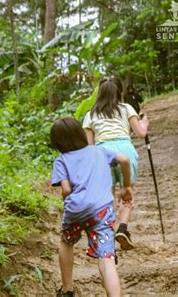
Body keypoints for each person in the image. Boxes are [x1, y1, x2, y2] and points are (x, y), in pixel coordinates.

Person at [50, 117, 132, 297]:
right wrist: (126, 186)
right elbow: (125, 160)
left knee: (66, 242)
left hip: (75, 212)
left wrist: (69, 199)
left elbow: (66, 189)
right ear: (80, 133)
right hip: (101, 211)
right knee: (106, 258)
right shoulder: (99, 151)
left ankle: (68, 290)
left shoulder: (61, 161)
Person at [83, 77, 149, 250]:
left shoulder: (91, 114)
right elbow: (141, 133)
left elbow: (89, 146)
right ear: (120, 93)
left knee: (107, 198)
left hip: (102, 154)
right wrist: (145, 122)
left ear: (100, 93)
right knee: (128, 192)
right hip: (125, 151)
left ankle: (107, 235)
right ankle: (123, 228)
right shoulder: (126, 108)